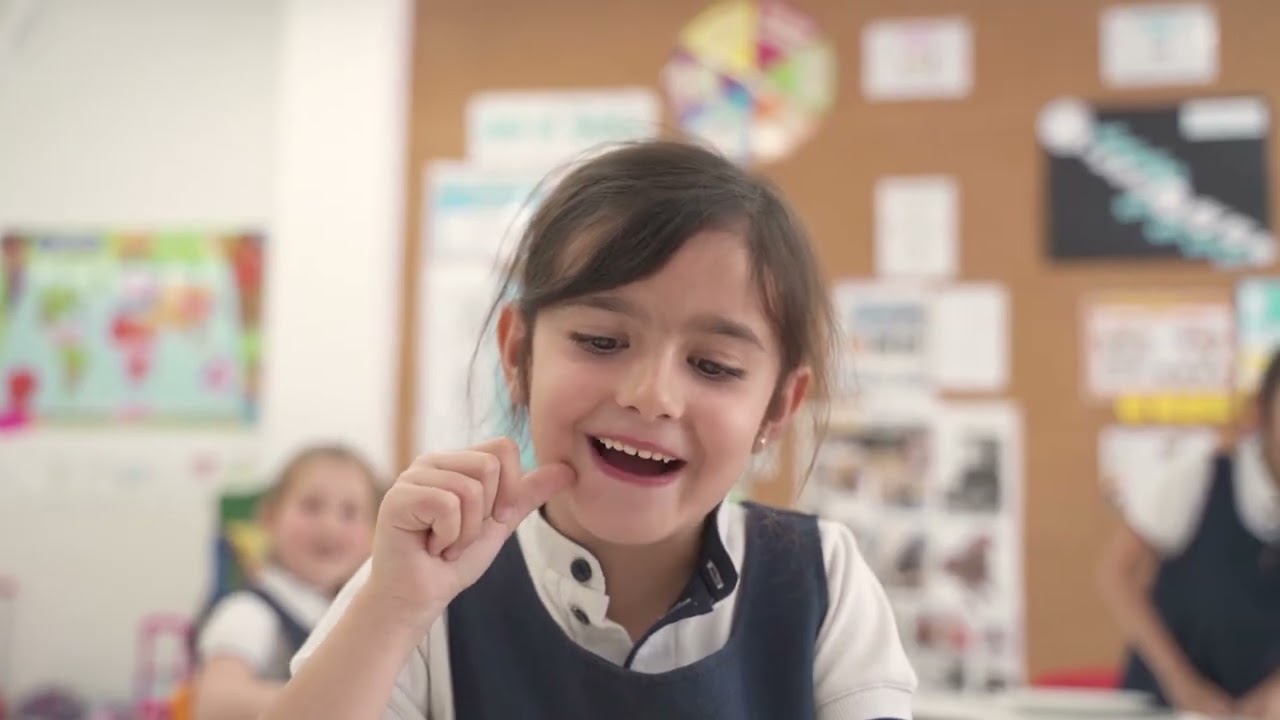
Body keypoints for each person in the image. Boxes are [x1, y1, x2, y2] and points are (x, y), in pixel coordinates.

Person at [265, 140, 917, 720]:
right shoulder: (423, 579)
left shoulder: (821, 580)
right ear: (518, 354)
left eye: (714, 366)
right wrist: (394, 608)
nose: (652, 396)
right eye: (602, 341)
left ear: (778, 406)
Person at [1099, 348, 1280, 719]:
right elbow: (1115, 573)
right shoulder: (1203, 478)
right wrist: (1182, 683)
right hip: (1171, 705)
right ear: (1261, 412)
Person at [192, 444, 381, 720]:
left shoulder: (343, 611)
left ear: (371, 535)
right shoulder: (248, 611)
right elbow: (215, 704)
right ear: (269, 518)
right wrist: (340, 703)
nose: (330, 525)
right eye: (311, 506)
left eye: (350, 512)